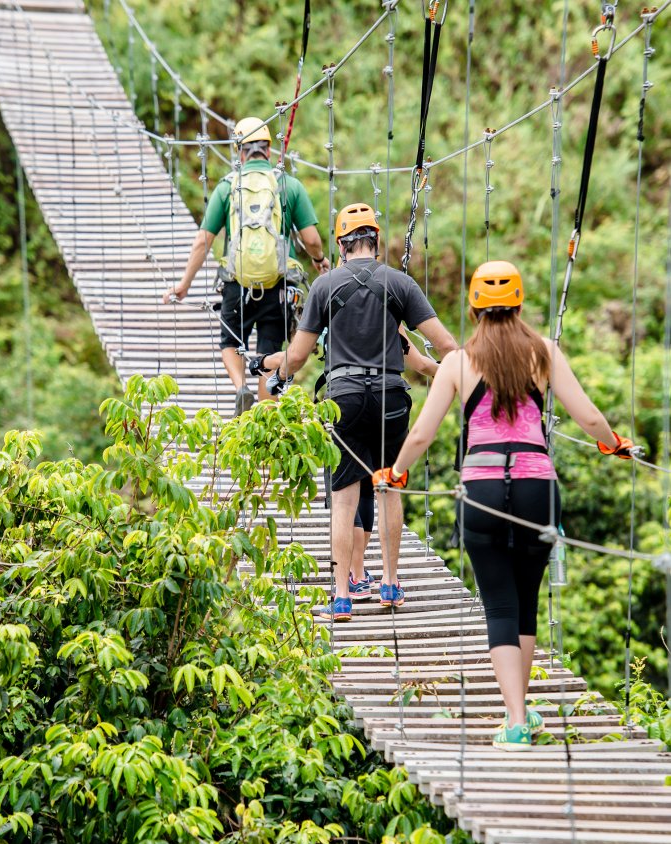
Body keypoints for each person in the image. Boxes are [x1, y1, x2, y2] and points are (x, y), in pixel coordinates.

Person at [375, 260, 634, 750]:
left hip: (482, 490)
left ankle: (515, 717)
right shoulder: (544, 353)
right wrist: (612, 443)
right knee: (527, 601)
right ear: (518, 304)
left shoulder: (457, 363)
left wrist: (397, 473)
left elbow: (424, 433)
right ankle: (523, 712)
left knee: (499, 604)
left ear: (474, 307)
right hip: (539, 487)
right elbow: (591, 417)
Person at [253, 201, 457, 620]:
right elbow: (449, 346)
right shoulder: (400, 284)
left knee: (344, 501)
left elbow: (296, 359)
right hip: (390, 398)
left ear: (342, 245)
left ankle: (343, 595)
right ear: (376, 242)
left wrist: (264, 364)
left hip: (342, 399)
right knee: (388, 488)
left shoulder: (324, 286)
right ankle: (390, 583)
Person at [163, 116, 329, 415]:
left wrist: (184, 285)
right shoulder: (288, 185)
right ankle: (264, 423)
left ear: (239, 152)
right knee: (269, 353)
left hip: (236, 285)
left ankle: (240, 387)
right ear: (269, 150)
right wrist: (319, 261)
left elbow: (203, 242)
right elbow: (312, 239)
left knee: (229, 342)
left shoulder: (228, 187)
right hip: (277, 286)